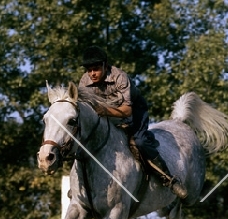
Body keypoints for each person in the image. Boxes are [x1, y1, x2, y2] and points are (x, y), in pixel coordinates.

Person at [79, 46, 188, 199]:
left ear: (105, 65)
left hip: (133, 111)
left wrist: (104, 111)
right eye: (89, 70)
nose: (92, 74)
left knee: (140, 142)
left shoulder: (120, 77)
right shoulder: (84, 81)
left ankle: (168, 178)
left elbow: (126, 111)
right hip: (106, 114)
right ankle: (79, 185)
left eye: (96, 69)